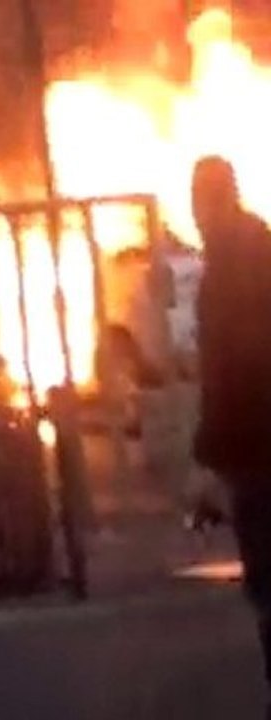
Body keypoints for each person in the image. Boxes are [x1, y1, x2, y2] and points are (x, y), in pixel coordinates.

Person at [192, 155, 271, 706]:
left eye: (199, 204)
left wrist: (211, 449)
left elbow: (231, 367)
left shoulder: (230, 270)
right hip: (253, 446)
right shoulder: (259, 249)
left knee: (269, 583)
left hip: (257, 450)